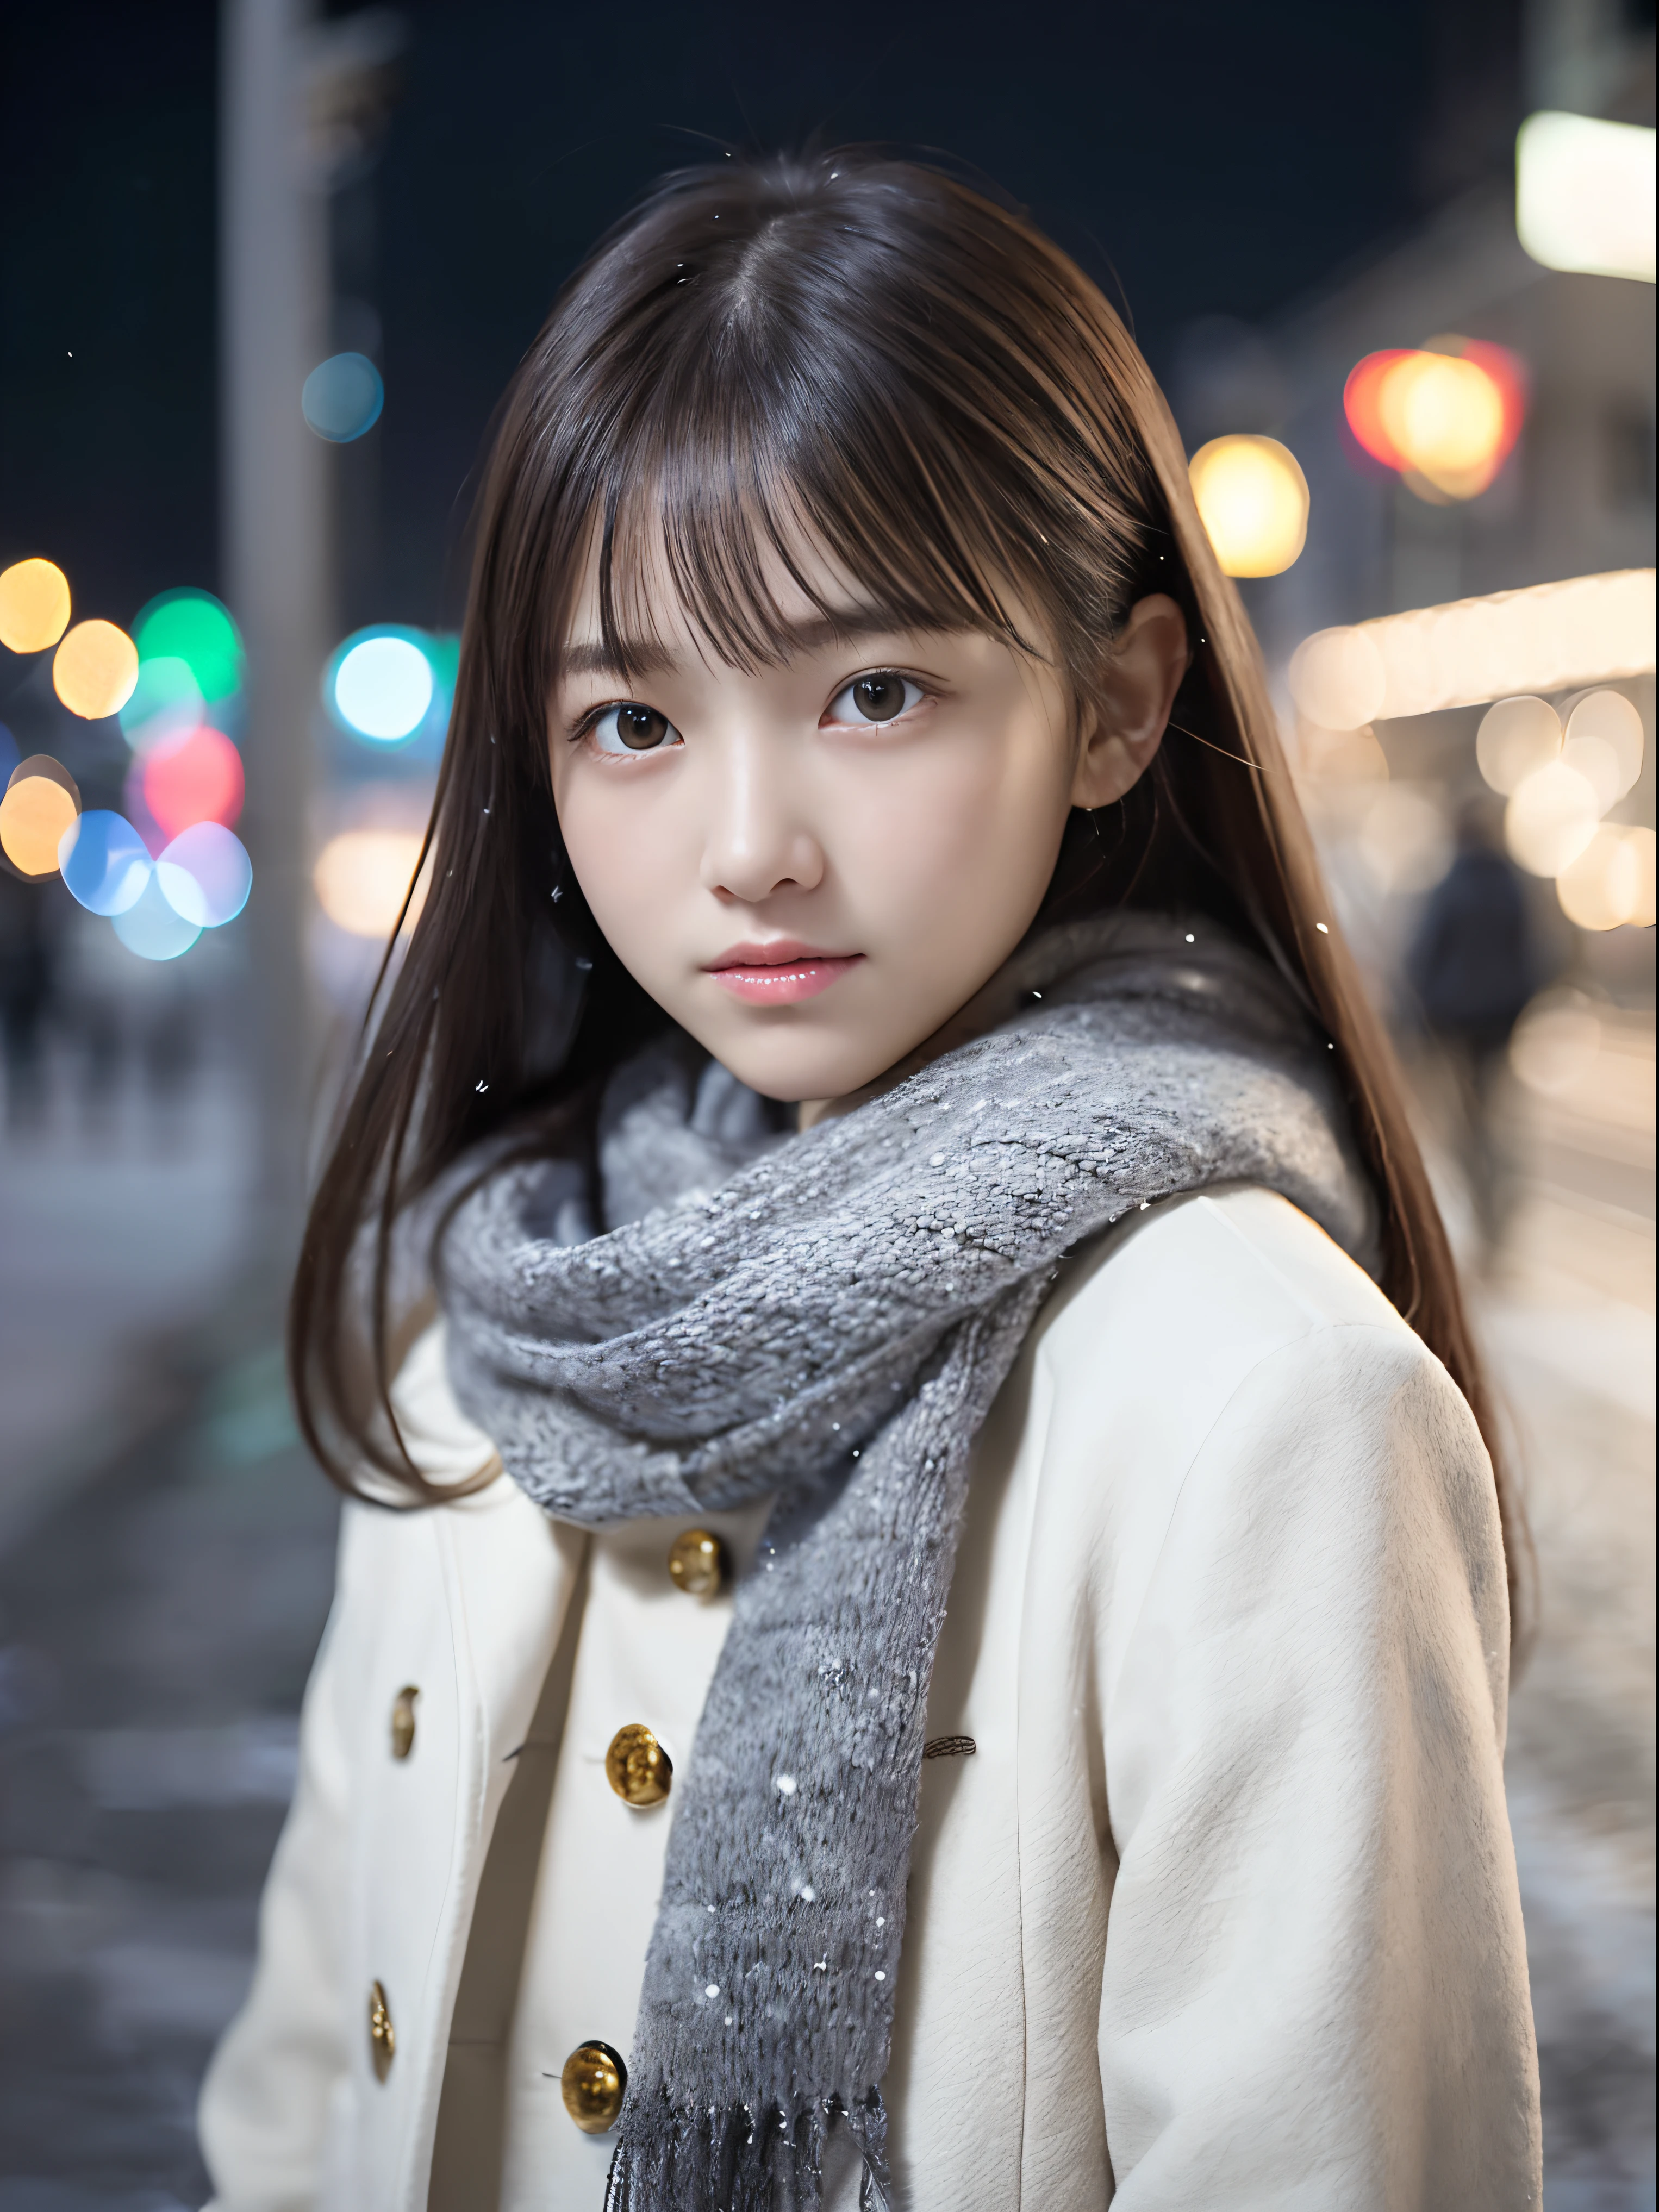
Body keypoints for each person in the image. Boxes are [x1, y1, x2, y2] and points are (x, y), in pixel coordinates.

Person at [198, 153, 1540, 2212]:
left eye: (873, 693)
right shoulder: (505, 1318)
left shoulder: (1256, 1402)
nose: (749, 846)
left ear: (1114, 704)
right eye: (633, 717)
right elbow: (301, 2105)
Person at [1405, 796, 1539, 1266]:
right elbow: (1535, 954)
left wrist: (1420, 1020)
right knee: (1496, 1123)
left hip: (1457, 1027)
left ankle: (1487, 1214)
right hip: (1500, 1025)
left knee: (1466, 1128)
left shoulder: (1451, 886)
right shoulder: (1512, 886)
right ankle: (1499, 1210)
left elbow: (1423, 957)